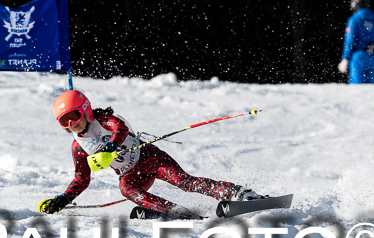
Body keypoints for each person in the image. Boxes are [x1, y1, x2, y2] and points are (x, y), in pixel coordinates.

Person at [38, 90, 263, 219]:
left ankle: (238, 193)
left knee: (183, 181)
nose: (72, 124)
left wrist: (111, 147)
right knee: (126, 189)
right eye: (64, 121)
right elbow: (82, 178)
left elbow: (121, 129)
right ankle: (174, 211)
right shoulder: (78, 147)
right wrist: (63, 199)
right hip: (130, 173)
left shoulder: (103, 120)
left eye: (74, 116)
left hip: (149, 157)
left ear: (85, 109)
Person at [338, 0, 374, 84]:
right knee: (372, 90)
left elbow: (349, 40)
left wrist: (345, 58)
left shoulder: (354, 20)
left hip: (359, 57)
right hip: (373, 58)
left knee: (357, 88)